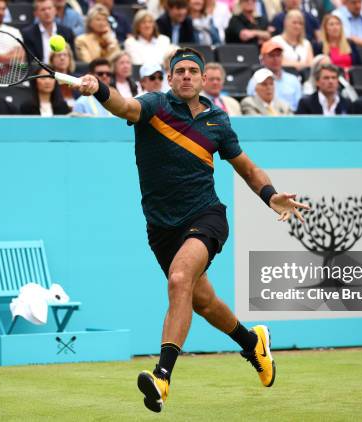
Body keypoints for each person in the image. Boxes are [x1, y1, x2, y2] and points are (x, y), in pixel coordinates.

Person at [77, 47, 309, 413]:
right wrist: (100, 88)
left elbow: (247, 168)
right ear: (169, 78)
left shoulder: (218, 121)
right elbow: (124, 107)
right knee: (202, 301)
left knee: (179, 278)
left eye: (192, 71)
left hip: (205, 215)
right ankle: (252, 343)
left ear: (203, 79)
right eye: (179, 71)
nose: (186, 76)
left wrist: (270, 196)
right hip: (161, 228)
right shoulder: (153, 106)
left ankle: (162, 377)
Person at [246, 40, 302, 112]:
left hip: (290, 119)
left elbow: (298, 107)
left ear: (282, 57)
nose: (275, 59)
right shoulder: (255, 81)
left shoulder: (293, 80)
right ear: (262, 59)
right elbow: (253, 104)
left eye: (278, 55)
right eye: (271, 55)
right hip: (264, 118)